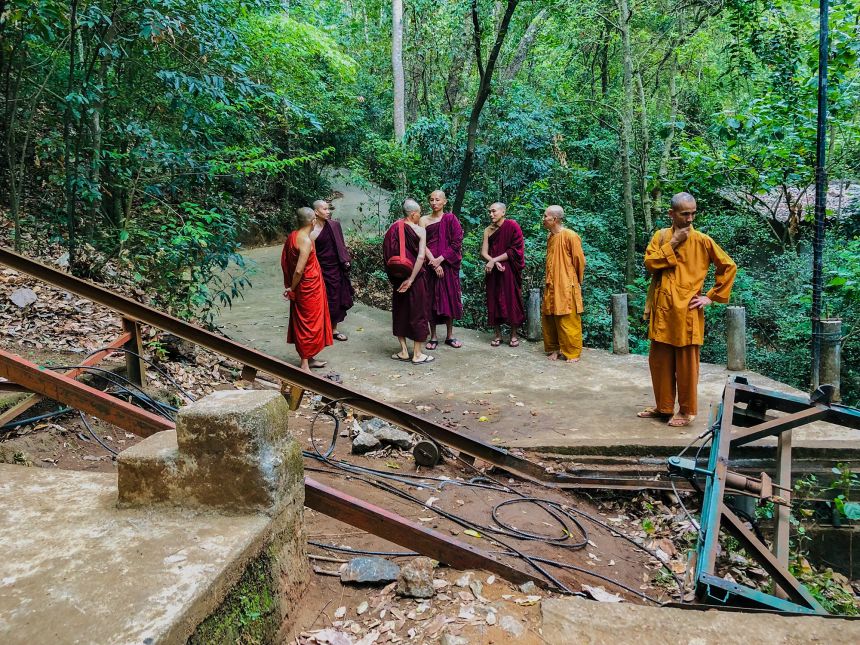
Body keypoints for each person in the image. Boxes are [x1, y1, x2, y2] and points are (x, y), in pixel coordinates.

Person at [638, 192, 737, 427]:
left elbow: (728, 266)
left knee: (686, 366)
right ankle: (663, 407)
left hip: (687, 311)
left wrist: (710, 297)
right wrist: (673, 243)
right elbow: (651, 264)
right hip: (663, 309)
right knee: (659, 362)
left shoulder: (702, 240)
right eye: (685, 214)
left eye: (693, 213)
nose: (690, 219)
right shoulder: (661, 236)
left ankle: (686, 411)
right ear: (671, 214)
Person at [281, 207, 333, 371]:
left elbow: (286, 262)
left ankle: (310, 358)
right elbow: (298, 270)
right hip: (306, 287)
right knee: (308, 324)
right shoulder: (305, 240)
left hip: (311, 285)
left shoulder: (293, 236)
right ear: (312, 221)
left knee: (310, 321)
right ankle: (304, 363)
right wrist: (292, 288)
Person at [383, 199, 434, 364]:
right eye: (419, 213)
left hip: (398, 276)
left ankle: (404, 351)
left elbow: (387, 252)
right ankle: (417, 354)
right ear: (413, 214)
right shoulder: (419, 230)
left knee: (401, 312)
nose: (420, 216)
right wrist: (411, 279)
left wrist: (397, 277)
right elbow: (420, 256)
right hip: (416, 278)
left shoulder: (392, 228)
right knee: (419, 313)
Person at [541, 205, 586, 362]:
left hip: (566, 284)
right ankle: (555, 348)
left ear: (554, 219)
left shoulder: (570, 236)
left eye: (545, 216)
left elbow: (579, 260)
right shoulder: (551, 237)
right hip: (551, 284)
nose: (543, 219)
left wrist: (574, 281)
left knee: (567, 317)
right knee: (550, 316)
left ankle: (572, 352)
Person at [420, 190, 464, 350]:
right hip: (430, 265)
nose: (434, 203)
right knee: (431, 299)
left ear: (444, 202)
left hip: (448, 266)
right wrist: (434, 262)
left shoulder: (451, 219)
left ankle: (450, 335)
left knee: (449, 298)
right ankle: (433, 336)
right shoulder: (424, 220)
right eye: (431, 199)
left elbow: (457, 242)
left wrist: (441, 260)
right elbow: (422, 244)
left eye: (437, 200)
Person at [481, 202, 525, 347]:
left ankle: (513, 335)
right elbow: (484, 253)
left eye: (494, 211)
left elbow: (516, 250)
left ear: (503, 212)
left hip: (508, 269)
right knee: (493, 300)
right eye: (489, 212)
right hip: (492, 270)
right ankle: (498, 335)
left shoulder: (512, 226)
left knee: (512, 300)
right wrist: (492, 261)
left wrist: (494, 260)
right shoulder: (488, 230)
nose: (491, 214)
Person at [310, 199, 355, 341]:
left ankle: (334, 329)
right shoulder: (311, 231)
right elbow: (311, 253)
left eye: (328, 209)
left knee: (336, 299)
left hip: (336, 268)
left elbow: (341, 245)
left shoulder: (334, 225)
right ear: (316, 212)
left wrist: (345, 260)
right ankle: (321, 329)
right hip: (320, 270)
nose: (328, 212)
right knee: (321, 300)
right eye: (324, 209)